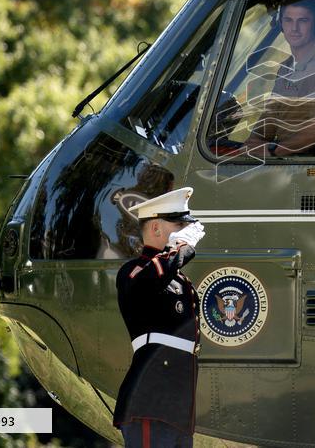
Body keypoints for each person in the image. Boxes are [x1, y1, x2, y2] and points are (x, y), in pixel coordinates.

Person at [114, 187, 206, 447]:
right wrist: (181, 249)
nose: (186, 231)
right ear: (155, 227)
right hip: (150, 402)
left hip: (178, 409)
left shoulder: (178, 280)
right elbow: (148, 281)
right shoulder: (135, 271)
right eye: (178, 225)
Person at [243, 0, 315, 157]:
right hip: (284, 158)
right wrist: (252, 143)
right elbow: (271, 115)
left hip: (306, 163)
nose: (294, 28)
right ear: (281, 24)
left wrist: (273, 151)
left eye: (303, 20)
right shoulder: (286, 67)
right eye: (288, 20)